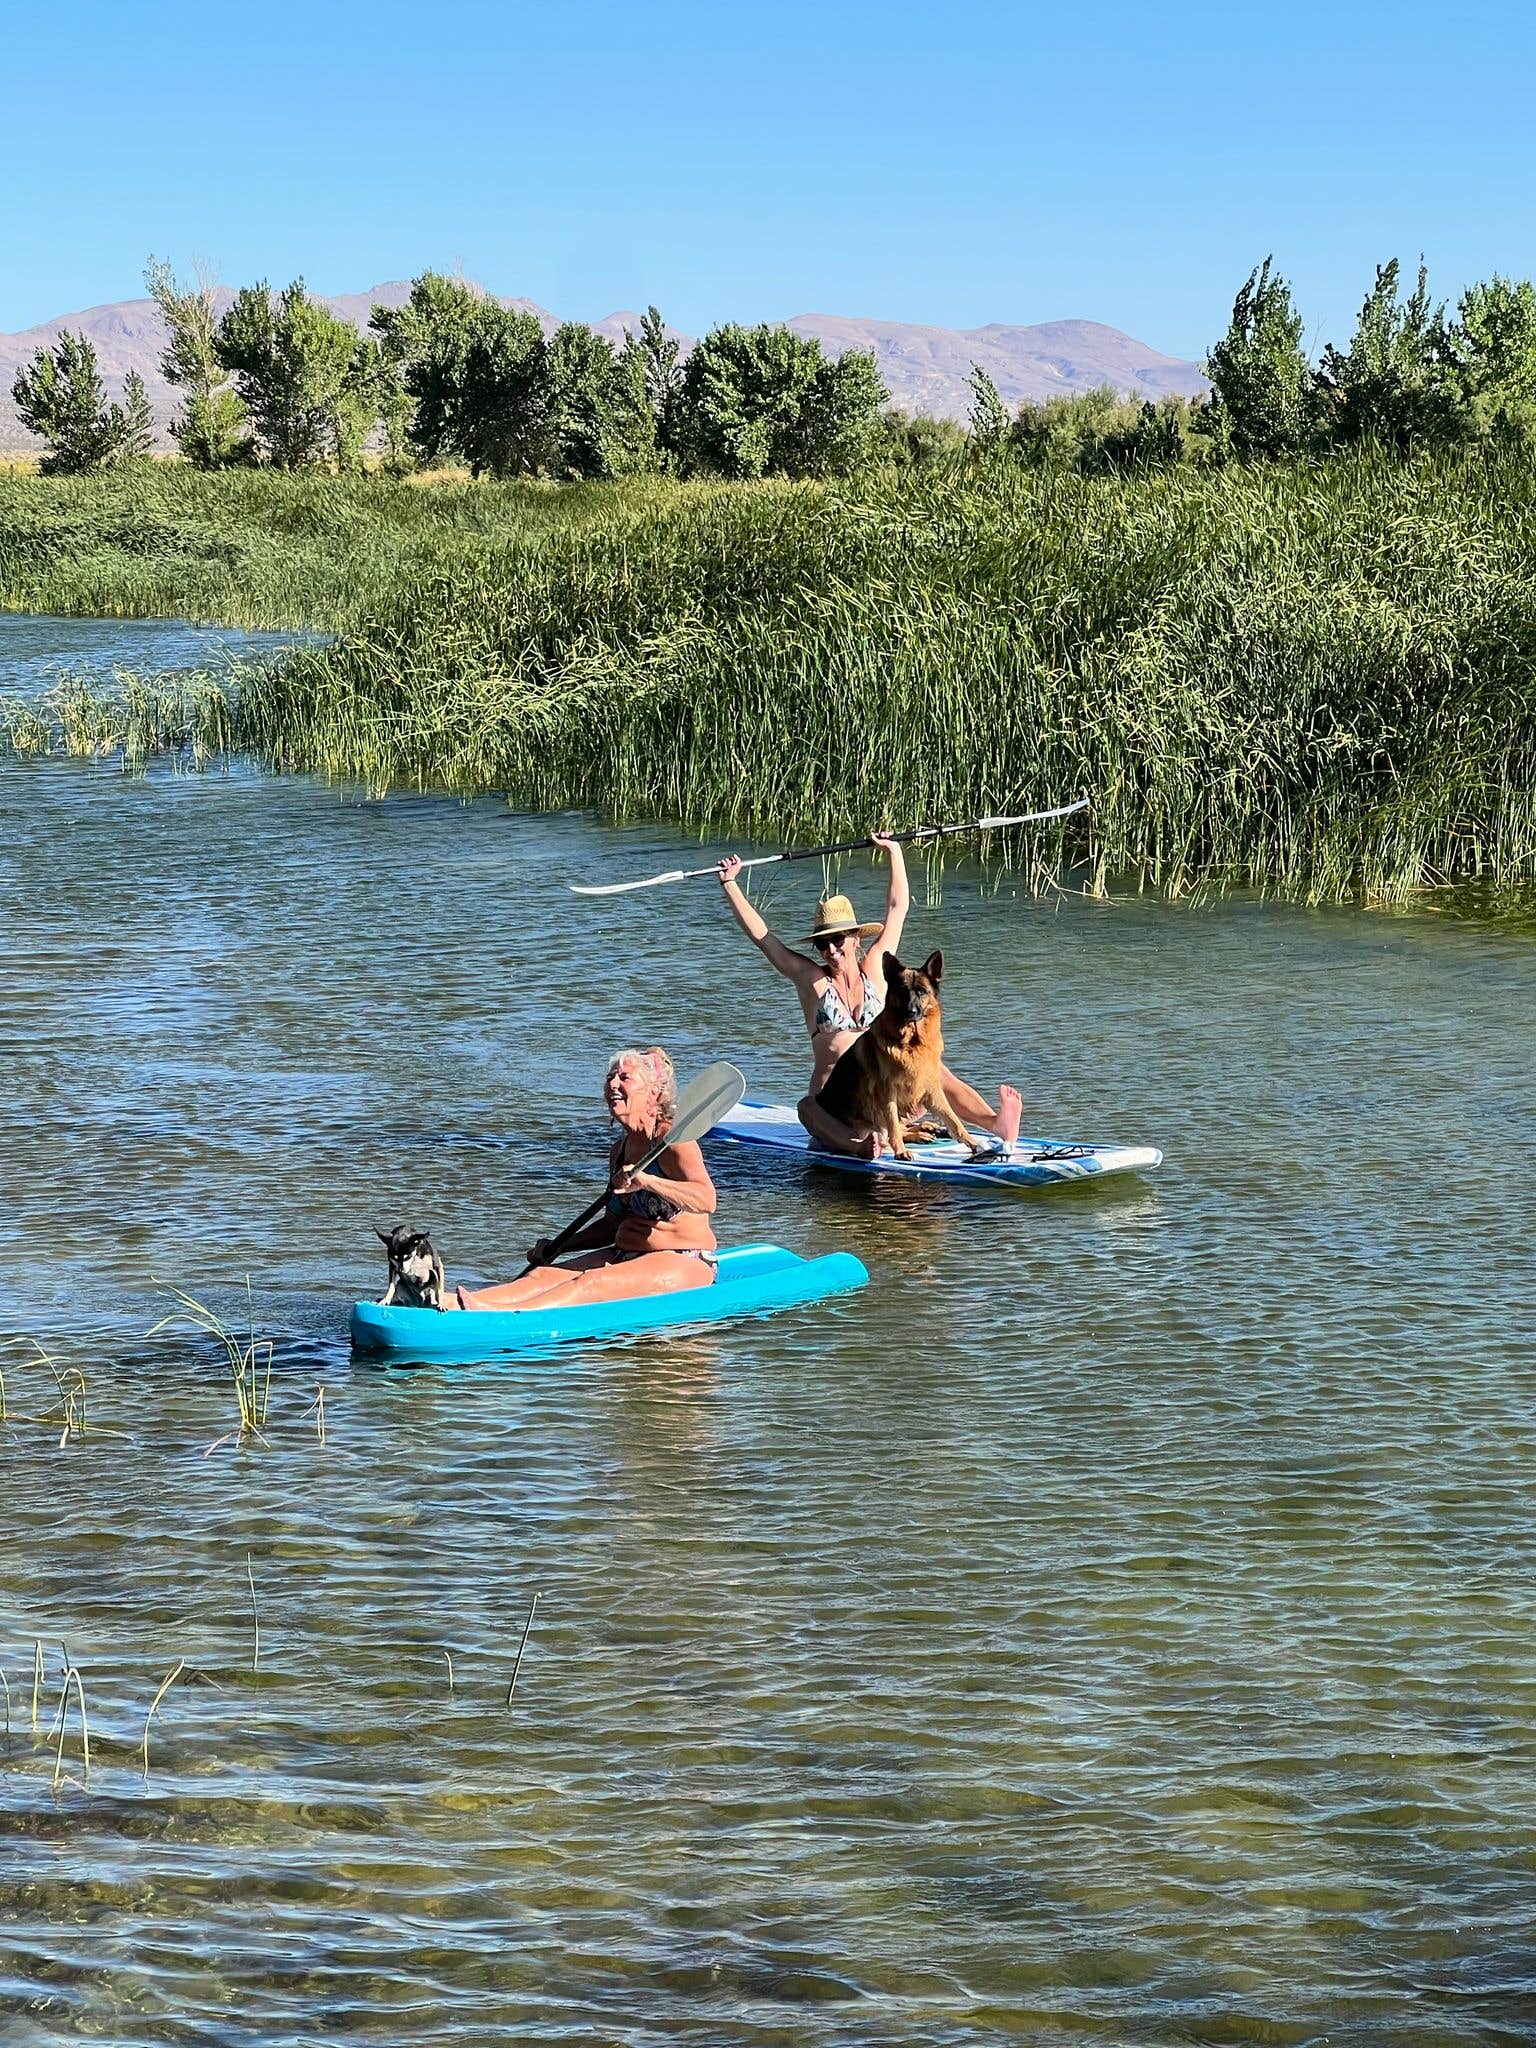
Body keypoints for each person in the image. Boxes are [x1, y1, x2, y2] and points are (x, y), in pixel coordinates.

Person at [715, 836, 1023, 1159]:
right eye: (823, 945)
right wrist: (730, 884)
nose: (831, 951)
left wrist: (894, 851)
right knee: (806, 1107)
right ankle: (862, 1146)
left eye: (837, 940)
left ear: (854, 937)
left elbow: (897, 908)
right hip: (841, 1109)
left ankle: (995, 1124)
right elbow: (765, 939)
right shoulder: (813, 981)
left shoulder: (875, 968)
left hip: (890, 1097)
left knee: (934, 1070)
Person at [455, 1047, 717, 1310]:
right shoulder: (620, 1150)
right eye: (610, 1078)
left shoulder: (673, 1142)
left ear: (653, 1093)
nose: (612, 1084)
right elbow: (611, 1226)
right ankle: (451, 1304)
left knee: (592, 1282)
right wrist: (561, 1245)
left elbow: (706, 1199)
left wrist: (648, 1181)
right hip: (624, 1254)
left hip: (683, 1260)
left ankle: (498, 1317)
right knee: (541, 1275)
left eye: (624, 1078)